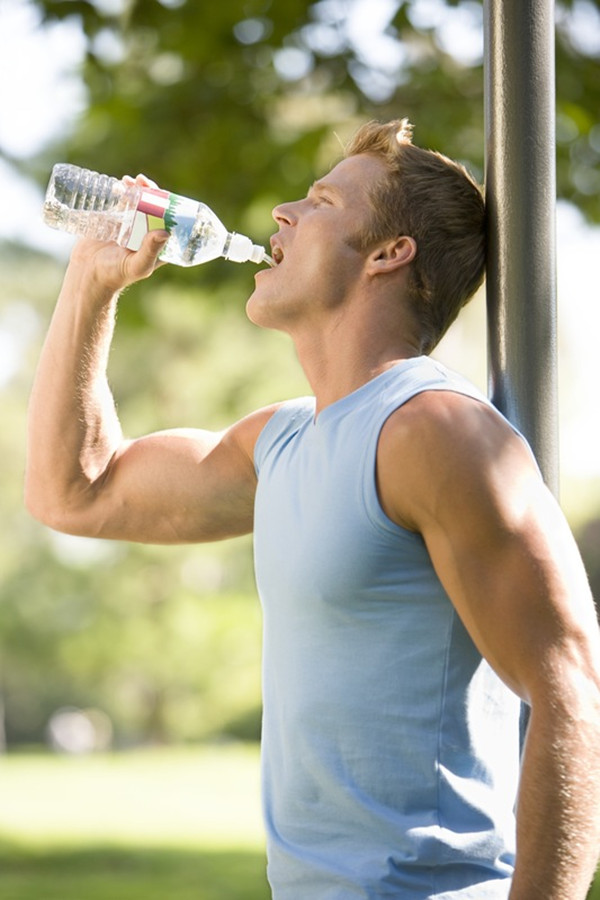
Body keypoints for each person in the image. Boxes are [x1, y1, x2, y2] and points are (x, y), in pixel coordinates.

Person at [26, 119, 600, 900]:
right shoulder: (281, 442)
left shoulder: (435, 430)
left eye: (322, 200)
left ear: (388, 254)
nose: (281, 215)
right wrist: (92, 282)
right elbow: (75, 492)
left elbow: (570, 688)